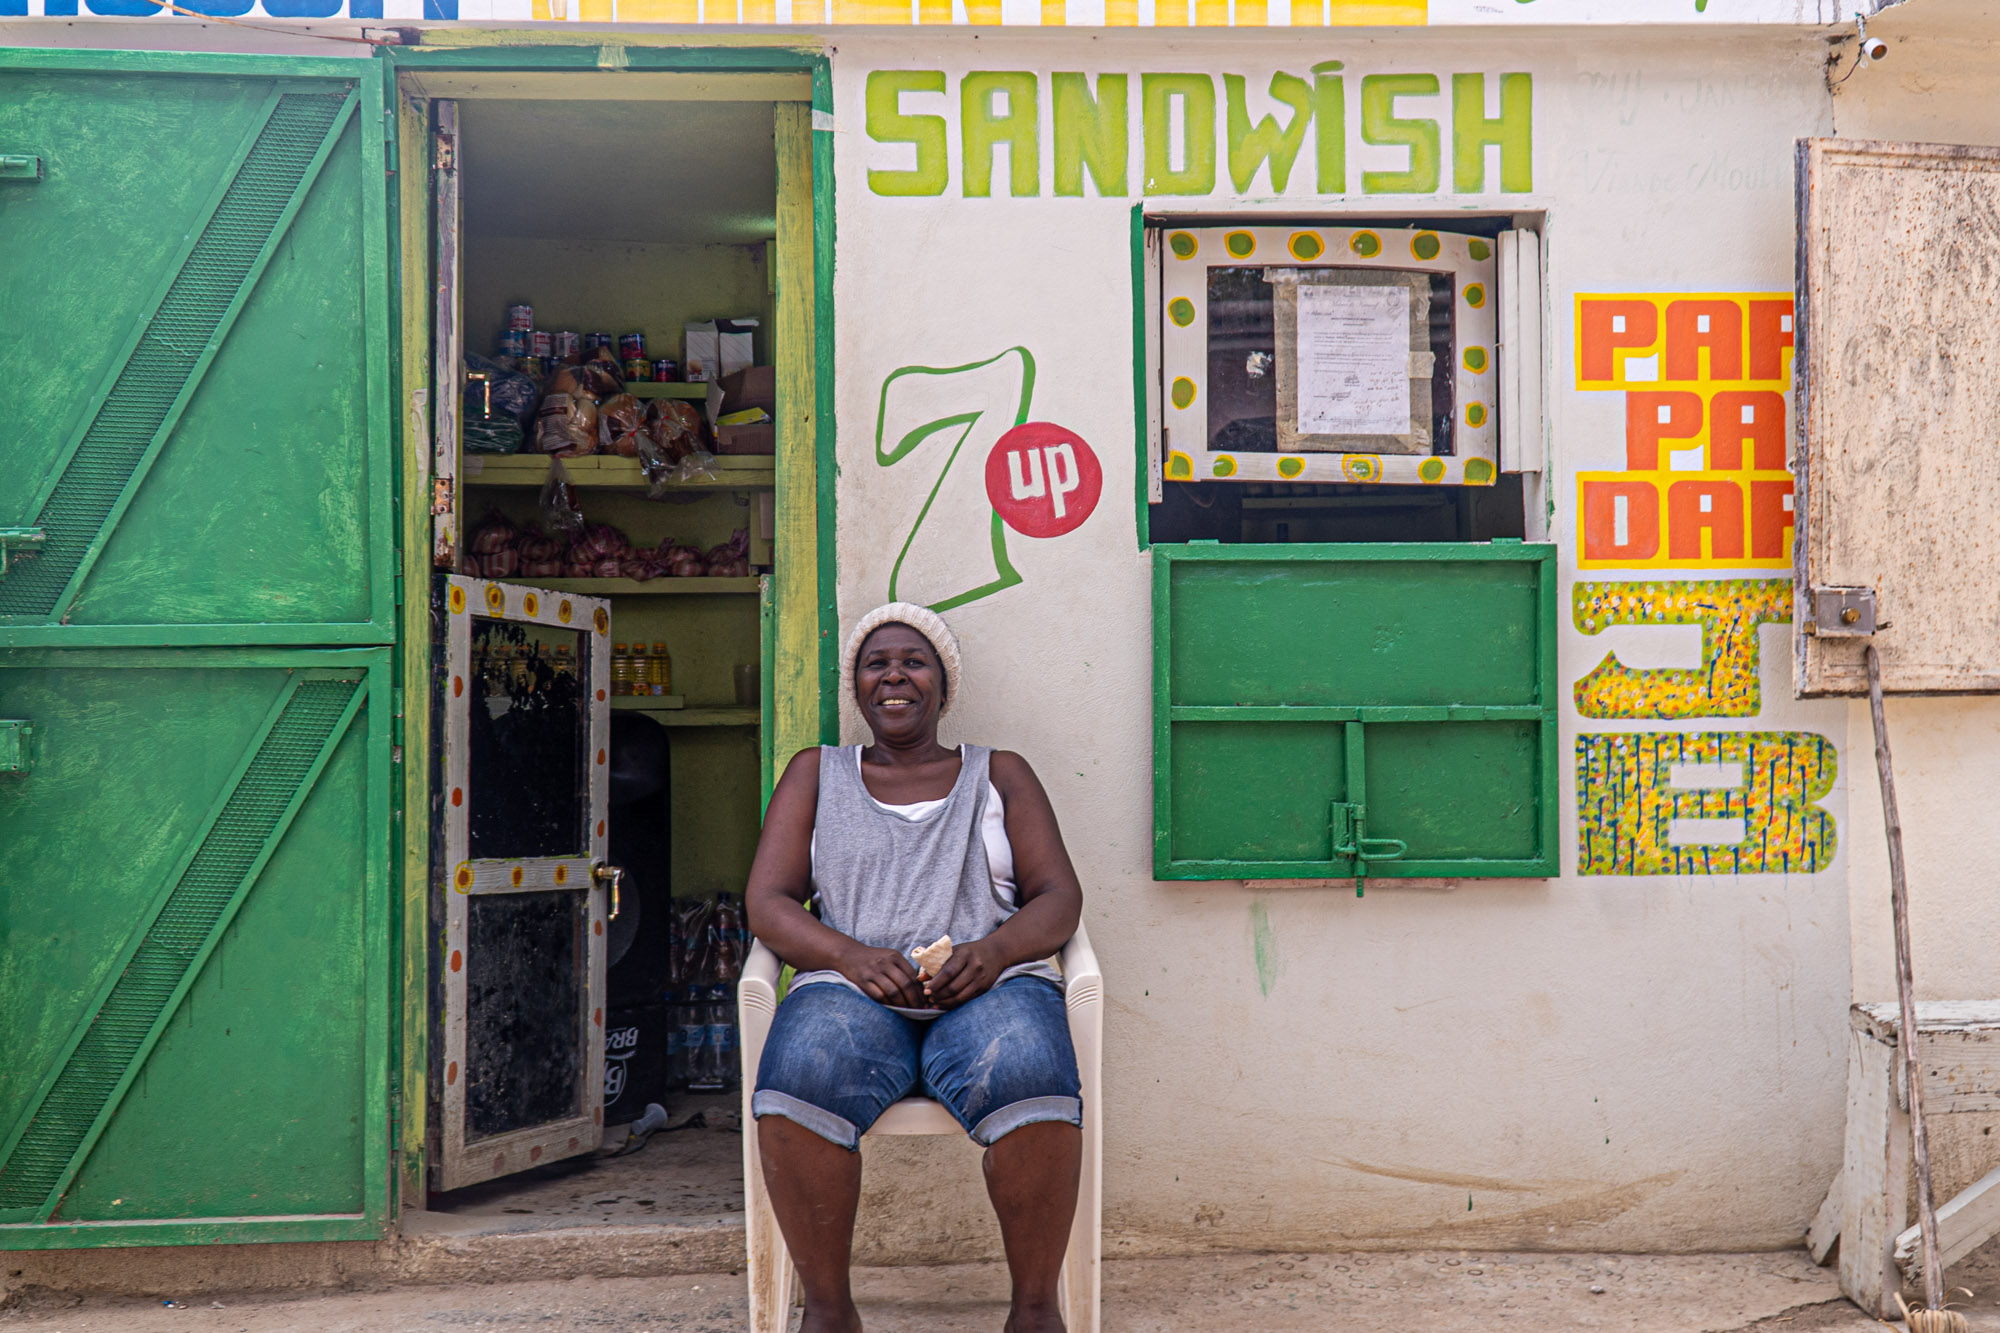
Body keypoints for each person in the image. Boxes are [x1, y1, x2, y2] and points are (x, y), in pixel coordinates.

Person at [745, 602, 1085, 1333]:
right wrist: (848, 955)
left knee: (1030, 1067)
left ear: (943, 686)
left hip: (990, 990)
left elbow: (1059, 898)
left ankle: (1034, 1309)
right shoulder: (816, 773)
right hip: (851, 991)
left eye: (914, 661)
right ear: (858, 687)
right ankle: (830, 1312)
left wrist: (993, 952)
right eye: (877, 662)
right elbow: (767, 902)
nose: (894, 675)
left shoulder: (1000, 774)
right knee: (799, 1072)